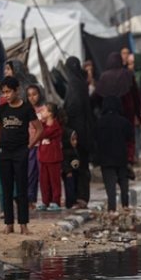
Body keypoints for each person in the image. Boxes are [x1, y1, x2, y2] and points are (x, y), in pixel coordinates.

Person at [0, 76, 42, 234]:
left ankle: (23, 224)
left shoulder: (26, 108)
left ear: (17, 91)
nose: (6, 95)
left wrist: (28, 147)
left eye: (8, 92)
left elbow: (39, 129)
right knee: (6, 189)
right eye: (3, 92)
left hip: (21, 152)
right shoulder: (1, 109)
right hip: (4, 153)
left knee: (22, 189)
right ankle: (8, 224)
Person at [93, 52, 140, 162]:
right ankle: (129, 158)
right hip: (127, 112)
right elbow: (136, 95)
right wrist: (138, 114)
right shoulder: (128, 74)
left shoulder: (104, 76)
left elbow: (97, 96)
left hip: (109, 113)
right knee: (128, 137)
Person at [62, 56, 94, 209]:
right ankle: (79, 197)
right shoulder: (81, 83)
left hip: (76, 133)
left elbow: (74, 108)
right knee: (81, 165)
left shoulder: (74, 85)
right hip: (84, 131)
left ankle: (80, 198)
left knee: (78, 166)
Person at [94, 95, 133, 215]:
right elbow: (129, 138)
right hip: (121, 158)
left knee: (110, 187)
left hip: (106, 159)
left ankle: (112, 209)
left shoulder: (99, 122)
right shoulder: (124, 122)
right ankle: (125, 206)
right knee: (124, 183)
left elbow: (95, 140)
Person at [36, 104, 65, 211]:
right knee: (44, 181)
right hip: (43, 158)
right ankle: (45, 201)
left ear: (50, 114)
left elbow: (42, 134)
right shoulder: (43, 125)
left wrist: (38, 121)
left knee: (54, 181)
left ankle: (56, 201)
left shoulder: (55, 127)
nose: (41, 112)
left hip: (53, 158)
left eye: (43, 110)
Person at [25, 84, 45, 212]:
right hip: (30, 146)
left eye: (35, 94)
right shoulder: (25, 110)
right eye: (29, 95)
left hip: (43, 145)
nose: (32, 97)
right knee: (30, 173)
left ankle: (46, 200)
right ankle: (30, 200)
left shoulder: (44, 110)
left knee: (43, 174)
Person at [62, 127, 82, 210]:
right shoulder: (66, 151)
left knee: (74, 187)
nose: (75, 142)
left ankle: (73, 201)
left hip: (74, 172)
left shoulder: (74, 150)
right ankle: (70, 202)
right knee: (70, 188)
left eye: (76, 140)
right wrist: (68, 171)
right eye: (73, 140)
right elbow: (65, 162)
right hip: (69, 173)